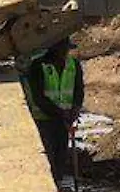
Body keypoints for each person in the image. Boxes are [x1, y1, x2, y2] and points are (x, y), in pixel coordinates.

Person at [24, 41, 84, 177]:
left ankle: (59, 183)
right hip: (43, 119)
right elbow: (39, 98)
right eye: (61, 49)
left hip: (63, 120)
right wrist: (61, 114)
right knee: (47, 156)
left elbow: (78, 91)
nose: (64, 53)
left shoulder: (73, 65)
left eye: (66, 49)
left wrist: (74, 110)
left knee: (60, 155)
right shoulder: (38, 66)